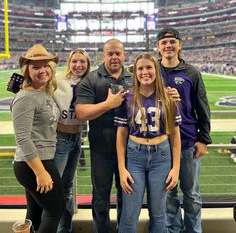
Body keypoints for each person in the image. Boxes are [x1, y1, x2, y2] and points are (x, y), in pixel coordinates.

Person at [115, 52, 181, 233]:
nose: (145, 72)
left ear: (156, 70)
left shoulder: (169, 97)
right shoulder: (127, 97)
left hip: (162, 156)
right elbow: (121, 135)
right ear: (135, 72)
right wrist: (122, 168)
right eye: (140, 68)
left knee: (159, 213)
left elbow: (175, 136)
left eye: (149, 67)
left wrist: (176, 168)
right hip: (134, 155)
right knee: (130, 213)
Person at [156, 27, 212, 233]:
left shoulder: (192, 72)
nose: (168, 45)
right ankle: (173, 230)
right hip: (160, 142)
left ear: (179, 45)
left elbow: (202, 106)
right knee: (168, 193)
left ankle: (193, 230)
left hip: (188, 140)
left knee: (191, 194)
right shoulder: (152, 70)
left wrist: (204, 139)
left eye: (172, 41)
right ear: (158, 47)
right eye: (164, 42)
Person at [75, 38, 132, 233]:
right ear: (103, 55)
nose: (115, 57)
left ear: (124, 55)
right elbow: (81, 113)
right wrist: (109, 104)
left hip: (130, 150)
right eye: (110, 53)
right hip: (101, 149)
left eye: (118, 53)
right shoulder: (91, 79)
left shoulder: (134, 78)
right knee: (100, 198)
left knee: (128, 196)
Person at [11, 44, 65, 233]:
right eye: (35, 67)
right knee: (55, 211)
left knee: (34, 214)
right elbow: (23, 139)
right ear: (27, 71)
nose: (42, 70)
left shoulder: (43, 91)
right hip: (34, 163)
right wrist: (40, 172)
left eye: (45, 65)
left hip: (38, 160)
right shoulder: (26, 97)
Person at [53, 49, 91, 233]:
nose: (78, 65)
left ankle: (64, 229)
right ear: (69, 62)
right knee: (54, 188)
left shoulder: (90, 81)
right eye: (74, 61)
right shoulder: (58, 79)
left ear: (88, 63)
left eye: (82, 61)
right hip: (60, 137)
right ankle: (50, 227)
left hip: (77, 138)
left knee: (66, 188)